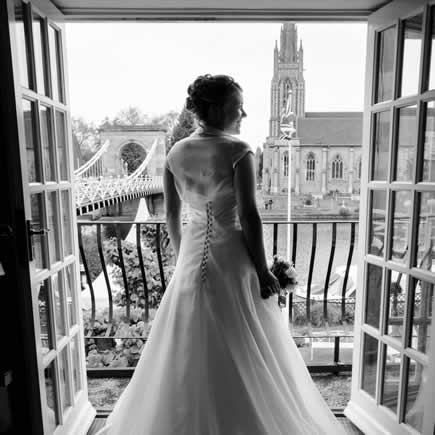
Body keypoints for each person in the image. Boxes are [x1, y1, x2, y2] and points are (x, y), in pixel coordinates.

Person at [102, 74, 347, 434]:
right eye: (237, 107)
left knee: (186, 341)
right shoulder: (238, 151)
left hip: (190, 260)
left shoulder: (175, 153)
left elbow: (171, 216)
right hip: (232, 258)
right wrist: (264, 271)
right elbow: (248, 214)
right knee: (245, 340)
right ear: (216, 109)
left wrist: (183, 254)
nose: (244, 113)